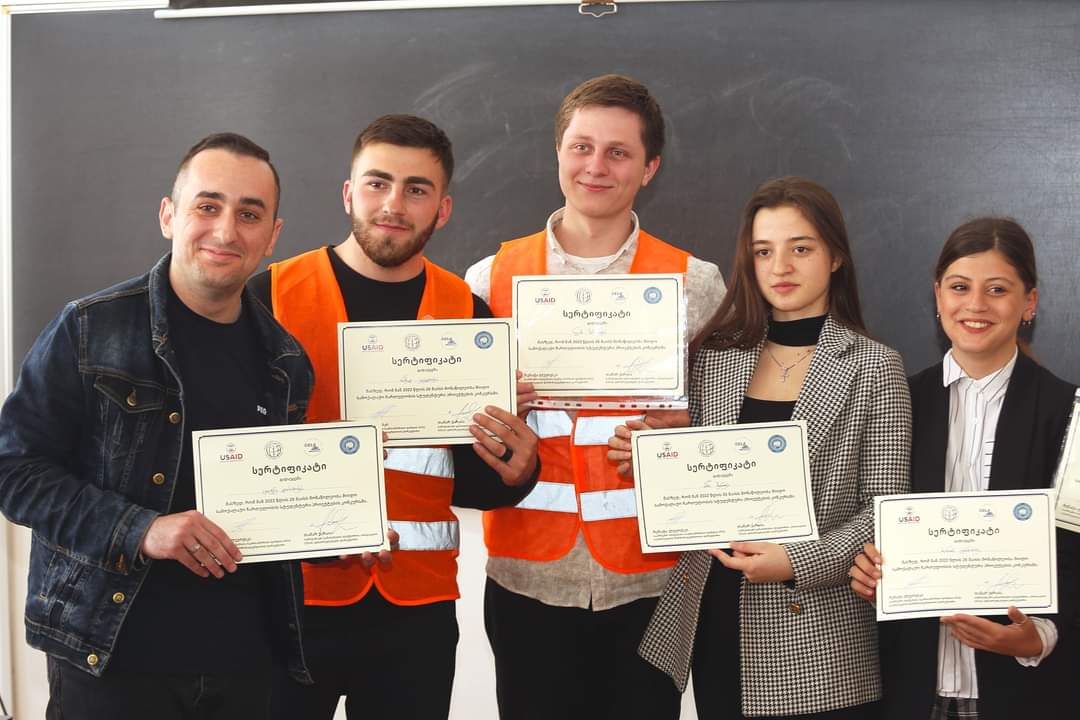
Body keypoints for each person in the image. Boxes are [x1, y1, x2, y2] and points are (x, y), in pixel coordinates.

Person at [0, 133, 312, 719]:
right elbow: (15, 472)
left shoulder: (286, 361)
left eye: (249, 215)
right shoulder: (88, 330)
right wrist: (142, 529)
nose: (226, 231)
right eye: (207, 205)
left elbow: (278, 503)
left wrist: (336, 531)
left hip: (246, 668)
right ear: (169, 215)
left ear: (272, 236)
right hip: (112, 664)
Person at [248, 113, 540, 720]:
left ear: (443, 209)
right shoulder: (266, 297)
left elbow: (472, 481)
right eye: (378, 183)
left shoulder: (470, 314)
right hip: (288, 604)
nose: (394, 205)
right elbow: (228, 453)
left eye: (417, 189)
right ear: (348, 193)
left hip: (416, 614)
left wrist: (518, 470)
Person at [464, 73, 726, 719]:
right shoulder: (490, 279)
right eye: (581, 147)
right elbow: (459, 430)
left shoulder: (696, 284)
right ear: (558, 153)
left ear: (649, 168)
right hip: (526, 577)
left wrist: (685, 432)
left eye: (618, 152)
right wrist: (492, 412)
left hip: (652, 580)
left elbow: (727, 431)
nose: (596, 166)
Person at [614, 176, 911, 718]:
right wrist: (653, 459)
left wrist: (796, 561)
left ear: (836, 257)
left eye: (801, 249)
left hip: (819, 637)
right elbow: (705, 482)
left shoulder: (875, 366)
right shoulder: (716, 356)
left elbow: (885, 511)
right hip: (717, 620)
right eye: (763, 251)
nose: (781, 268)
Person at [848, 217, 1079, 719]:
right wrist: (863, 566)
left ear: (1030, 303)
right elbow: (862, 515)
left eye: (997, 289)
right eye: (959, 287)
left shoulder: (1069, 413)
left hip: (1025, 695)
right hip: (907, 691)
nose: (975, 305)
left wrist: (1039, 635)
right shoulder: (895, 401)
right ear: (937, 295)